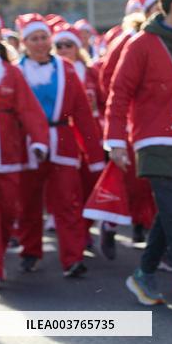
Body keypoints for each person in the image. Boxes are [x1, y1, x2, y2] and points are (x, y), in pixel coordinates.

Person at [106, 0, 172, 313]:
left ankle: (144, 274)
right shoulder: (141, 44)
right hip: (153, 141)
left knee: (170, 213)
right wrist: (116, 141)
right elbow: (118, 94)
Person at [15, 13, 105, 277]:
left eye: (44, 37)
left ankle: (73, 258)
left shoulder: (66, 69)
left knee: (68, 203)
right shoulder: (15, 72)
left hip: (63, 143)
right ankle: (30, 250)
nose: (41, 43)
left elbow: (83, 115)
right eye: (34, 38)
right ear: (24, 43)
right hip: (27, 145)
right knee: (28, 202)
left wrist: (95, 154)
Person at [99, 0, 161, 244]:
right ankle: (115, 223)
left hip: (163, 122)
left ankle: (145, 225)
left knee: (155, 185)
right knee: (133, 180)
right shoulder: (129, 40)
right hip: (134, 122)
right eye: (156, 9)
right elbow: (110, 82)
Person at [0, 23, 48, 287]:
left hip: (9, 154)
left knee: (7, 212)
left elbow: (29, 110)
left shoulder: (11, 74)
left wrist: (38, 141)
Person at [51, 19, 111, 259]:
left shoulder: (90, 72)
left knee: (89, 187)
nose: (65, 49)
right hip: (65, 137)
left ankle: (86, 230)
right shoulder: (53, 72)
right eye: (60, 45)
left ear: (78, 47)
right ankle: (75, 238)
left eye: (69, 44)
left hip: (90, 136)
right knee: (68, 192)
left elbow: (105, 101)